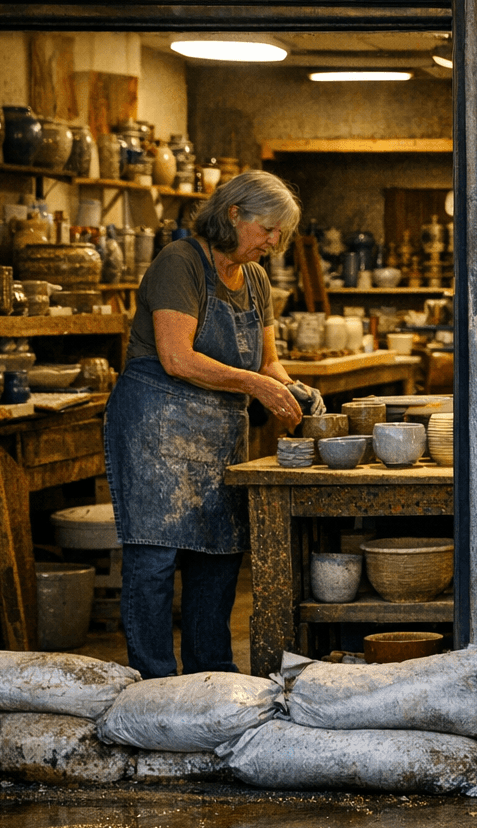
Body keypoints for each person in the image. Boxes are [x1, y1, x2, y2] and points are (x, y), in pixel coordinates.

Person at [104, 170, 316, 679]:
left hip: (217, 435)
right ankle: (153, 686)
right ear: (233, 214)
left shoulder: (257, 280)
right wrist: (256, 386)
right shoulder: (180, 262)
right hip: (157, 427)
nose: (275, 242)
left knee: (218, 557)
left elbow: (267, 363)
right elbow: (176, 357)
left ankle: (212, 681)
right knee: (155, 562)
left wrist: (291, 388)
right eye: (268, 229)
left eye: (282, 233)